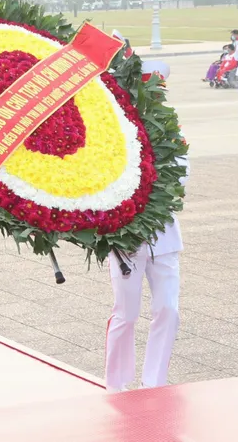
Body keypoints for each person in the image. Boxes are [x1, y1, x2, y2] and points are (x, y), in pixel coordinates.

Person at [105, 61, 185, 393]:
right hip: (128, 241)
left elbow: (179, 179)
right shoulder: (116, 135)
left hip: (164, 237)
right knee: (126, 313)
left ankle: (154, 382)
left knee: (168, 309)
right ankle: (117, 385)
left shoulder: (172, 135)